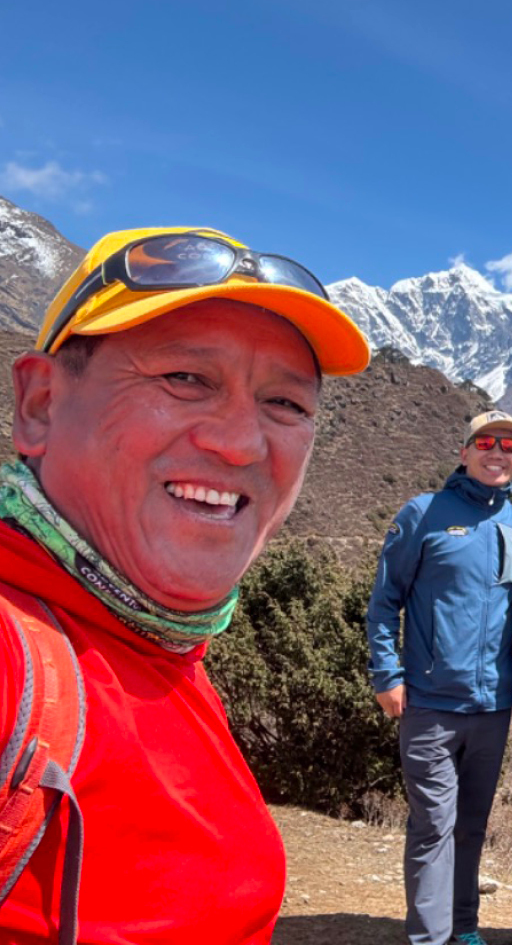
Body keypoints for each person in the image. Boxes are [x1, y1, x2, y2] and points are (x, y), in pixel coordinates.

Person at [0, 226, 370, 945]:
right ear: (40, 403)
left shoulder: (162, 655)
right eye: (185, 379)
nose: (239, 443)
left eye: (285, 405)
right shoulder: (18, 661)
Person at [366, 408, 512, 945]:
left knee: (471, 825)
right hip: (431, 702)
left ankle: (463, 927)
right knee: (433, 825)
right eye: (485, 442)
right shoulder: (423, 514)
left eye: (508, 445)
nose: (497, 452)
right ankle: (429, 938)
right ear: (464, 452)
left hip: (493, 705)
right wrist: (386, 674)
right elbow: (385, 601)